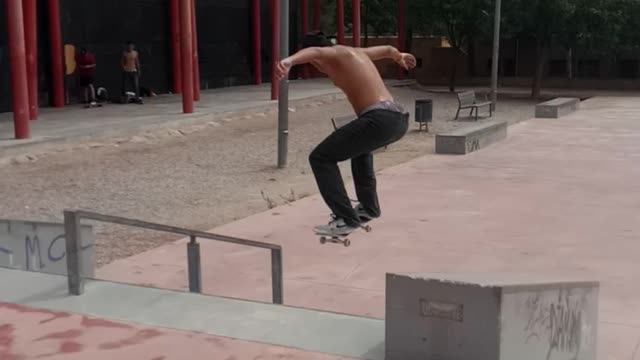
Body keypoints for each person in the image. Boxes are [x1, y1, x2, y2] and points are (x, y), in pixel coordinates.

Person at [275, 31, 417, 236]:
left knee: (320, 157)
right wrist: (400, 56)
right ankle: (368, 208)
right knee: (360, 151)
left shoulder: (333, 53)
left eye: (315, 63)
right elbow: (387, 49)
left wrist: (289, 61)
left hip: (379, 119)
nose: (318, 67)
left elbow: (315, 51)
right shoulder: (357, 52)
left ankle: (346, 218)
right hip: (397, 120)